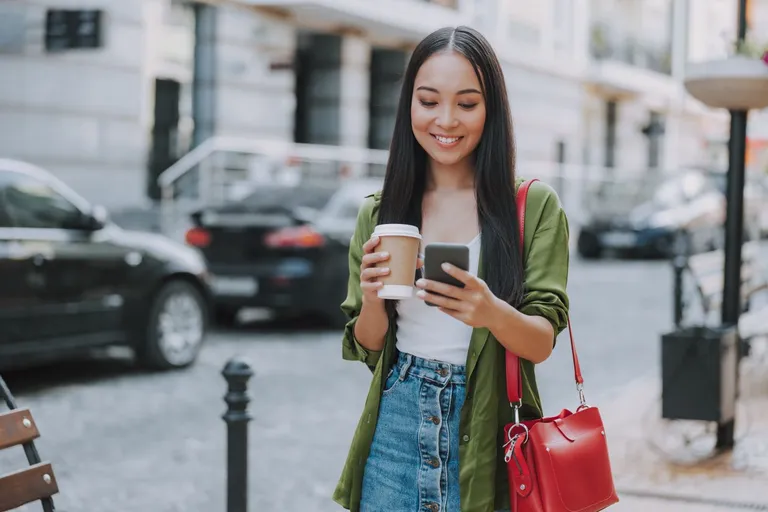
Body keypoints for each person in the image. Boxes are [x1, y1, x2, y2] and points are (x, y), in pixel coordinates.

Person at [333, 26, 570, 512]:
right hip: (395, 427)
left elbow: (541, 342)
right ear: (409, 107)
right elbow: (370, 344)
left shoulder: (532, 205)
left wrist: (488, 311)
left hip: (489, 428)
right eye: (428, 101)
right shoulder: (379, 213)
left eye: (467, 103)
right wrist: (374, 296)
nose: (446, 119)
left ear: (491, 110)